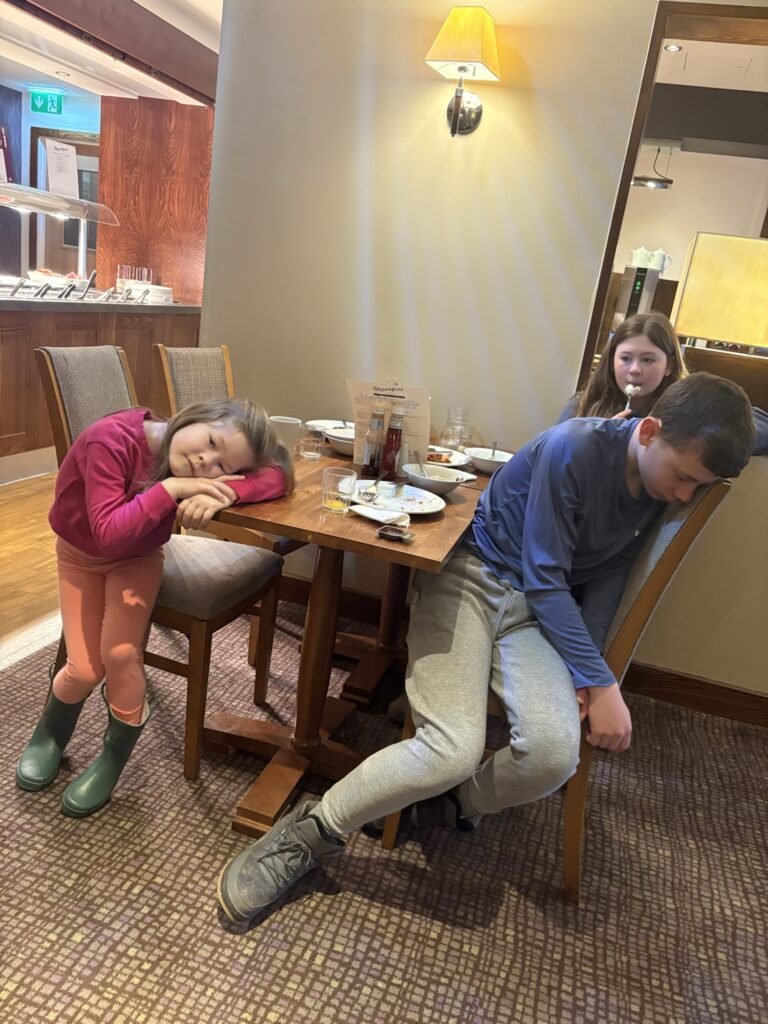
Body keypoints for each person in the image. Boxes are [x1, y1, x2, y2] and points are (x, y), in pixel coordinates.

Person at [215, 373, 756, 927]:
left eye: (697, 485)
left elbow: (607, 579)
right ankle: (310, 832)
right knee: (451, 749)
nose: (685, 495)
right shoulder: (574, 447)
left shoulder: (661, 477)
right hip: (471, 579)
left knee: (553, 756)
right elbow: (546, 577)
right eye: (684, 478)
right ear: (648, 431)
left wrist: (586, 670)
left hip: (539, 616)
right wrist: (601, 683)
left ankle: (446, 806)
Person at [15, 398, 293, 818]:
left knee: (121, 654)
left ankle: (113, 758)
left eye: (222, 465)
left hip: (139, 558)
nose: (206, 462)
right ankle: (49, 734)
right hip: (79, 556)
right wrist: (172, 489)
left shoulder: (201, 465)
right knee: (84, 669)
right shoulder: (111, 440)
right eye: (211, 442)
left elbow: (279, 474)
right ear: (196, 417)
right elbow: (107, 533)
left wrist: (231, 490)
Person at [559, 311, 768, 454]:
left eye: (648, 360)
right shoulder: (583, 404)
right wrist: (593, 440)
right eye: (625, 358)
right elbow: (553, 457)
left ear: (669, 365)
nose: (635, 369)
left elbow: (758, 427)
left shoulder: (688, 408)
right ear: (612, 362)